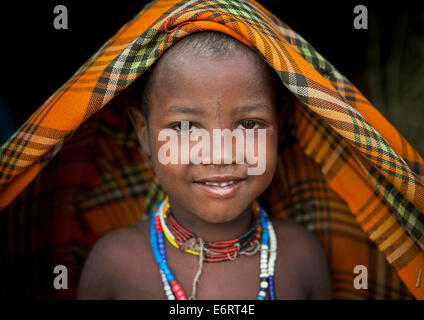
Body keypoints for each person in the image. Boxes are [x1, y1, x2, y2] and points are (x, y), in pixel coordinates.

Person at [76, 31, 332, 300]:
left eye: (249, 124)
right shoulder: (114, 265)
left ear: (279, 127)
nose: (220, 156)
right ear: (144, 135)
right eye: (185, 127)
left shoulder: (302, 258)